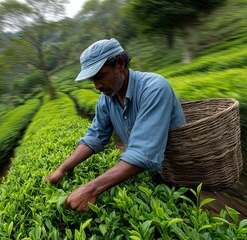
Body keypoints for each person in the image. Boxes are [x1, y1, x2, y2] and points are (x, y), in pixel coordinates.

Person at [45, 38, 186, 211]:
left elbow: (143, 151)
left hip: (179, 171)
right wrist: (62, 169)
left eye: (101, 76)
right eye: (92, 80)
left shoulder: (154, 88)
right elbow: (95, 136)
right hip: (151, 172)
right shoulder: (106, 100)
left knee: (185, 208)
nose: (97, 86)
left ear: (120, 63)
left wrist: (90, 189)